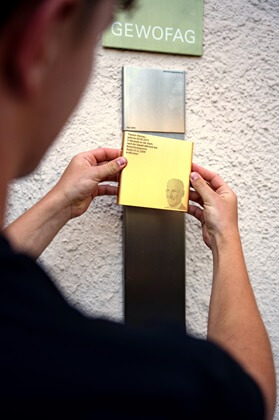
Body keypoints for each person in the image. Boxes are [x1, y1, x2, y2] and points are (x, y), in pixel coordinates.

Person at [0, 0, 276, 418]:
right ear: (40, 40)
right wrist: (226, 237)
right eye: (98, 35)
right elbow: (248, 395)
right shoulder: (88, 371)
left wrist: (59, 202)